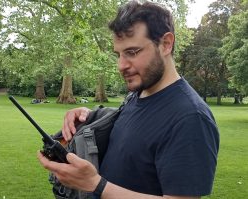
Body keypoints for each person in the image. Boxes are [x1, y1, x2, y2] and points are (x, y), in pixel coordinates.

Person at [38, 1, 220, 199]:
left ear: (166, 44)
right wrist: (90, 116)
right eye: (119, 54)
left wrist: (95, 185)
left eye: (132, 52)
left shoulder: (191, 117)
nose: (121, 65)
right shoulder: (139, 93)